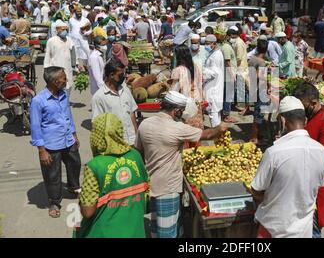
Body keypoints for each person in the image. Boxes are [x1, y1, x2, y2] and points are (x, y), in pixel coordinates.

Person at [135, 91, 228, 238]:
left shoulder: (144, 124)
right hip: (168, 188)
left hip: (150, 184)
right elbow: (207, 134)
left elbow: (138, 152)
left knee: (156, 226)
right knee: (167, 232)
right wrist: (220, 127)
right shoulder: (176, 128)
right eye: (182, 111)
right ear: (176, 110)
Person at [251, 96, 324, 238]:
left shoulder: (274, 152)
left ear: (282, 120)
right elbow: (319, 186)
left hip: (273, 229)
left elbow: (256, 190)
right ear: (305, 121)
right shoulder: (322, 151)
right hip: (304, 231)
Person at [75, 113, 149, 238]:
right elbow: (145, 193)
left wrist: (82, 197)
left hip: (105, 232)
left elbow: (87, 212)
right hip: (135, 230)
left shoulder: (95, 166)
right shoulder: (136, 156)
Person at [30, 67, 81, 218]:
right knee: (52, 175)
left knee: (75, 164)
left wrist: (74, 134)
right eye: (63, 78)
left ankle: (73, 187)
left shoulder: (63, 94)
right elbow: (35, 126)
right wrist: (41, 150)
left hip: (68, 139)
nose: (66, 81)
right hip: (51, 144)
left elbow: (68, 115)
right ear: (54, 81)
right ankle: (54, 201)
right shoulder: (38, 101)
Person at [294, 82, 324, 238]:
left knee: (311, 232)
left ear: (313, 102)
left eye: (303, 106)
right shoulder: (307, 116)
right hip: (296, 183)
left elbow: (322, 159)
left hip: (313, 189)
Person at [92, 59, 138, 146]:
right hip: (115, 145)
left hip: (132, 141)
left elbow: (132, 114)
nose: (124, 77)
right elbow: (97, 126)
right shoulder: (99, 97)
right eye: (121, 75)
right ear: (111, 75)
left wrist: (136, 135)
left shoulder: (125, 90)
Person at [43, 21, 75, 94]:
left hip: (67, 67)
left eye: (66, 30)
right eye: (63, 29)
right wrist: (46, 68)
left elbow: (73, 52)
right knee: (56, 87)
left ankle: (65, 103)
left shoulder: (69, 40)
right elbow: (47, 55)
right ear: (57, 30)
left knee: (68, 86)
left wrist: (75, 64)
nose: (65, 31)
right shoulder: (51, 41)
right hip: (56, 69)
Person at [248, 39, 270, 144]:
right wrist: (268, 84)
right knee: (258, 115)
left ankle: (257, 135)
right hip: (260, 90)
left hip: (253, 88)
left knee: (257, 113)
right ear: (266, 50)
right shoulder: (261, 62)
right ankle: (254, 138)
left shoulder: (252, 59)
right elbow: (259, 75)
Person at [203, 34, 225, 127]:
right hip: (213, 86)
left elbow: (214, 73)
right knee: (215, 112)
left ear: (214, 43)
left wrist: (202, 71)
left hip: (213, 88)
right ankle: (218, 132)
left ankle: (216, 133)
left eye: (208, 44)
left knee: (213, 112)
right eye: (206, 43)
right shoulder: (214, 53)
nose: (206, 46)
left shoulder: (216, 55)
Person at [221, 30, 238, 123]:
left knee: (227, 95)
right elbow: (227, 62)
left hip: (228, 74)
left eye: (235, 36)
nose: (233, 38)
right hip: (228, 74)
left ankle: (225, 113)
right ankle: (226, 115)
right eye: (232, 36)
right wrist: (232, 76)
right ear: (227, 36)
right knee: (228, 96)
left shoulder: (227, 46)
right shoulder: (226, 47)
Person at [69, 6, 91, 71]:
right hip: (74, 40)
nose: (79, 13)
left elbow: (90, 30)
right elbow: (70, 30)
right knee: (75, 53)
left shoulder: (86, 20)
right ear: (75, 12)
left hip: (83, 39)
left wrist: (86, 33)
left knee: (87, 52)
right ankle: (76, 67)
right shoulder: (71, 20)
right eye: (78, 12)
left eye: (80, 12)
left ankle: (89, 66)